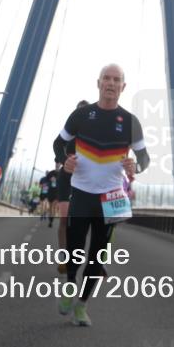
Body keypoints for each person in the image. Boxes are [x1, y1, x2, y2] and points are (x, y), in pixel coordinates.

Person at [54, 64, 149, 326]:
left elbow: (144, 158)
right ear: (98, 83)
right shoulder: (81, 115)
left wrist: (136, 166)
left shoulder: (131, 122)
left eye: (116, 79)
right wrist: (66, 161)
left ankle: (82, 306)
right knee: (75, 250)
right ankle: (70, 287)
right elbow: (59, 143)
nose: (111, 83)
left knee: (98, 256)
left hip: (113, 197)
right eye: (106, 78)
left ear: (123, 86)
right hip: (82, 193)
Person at [54, 99, 90, 273]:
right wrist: (64, 161)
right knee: (64, 219)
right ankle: (63, 258)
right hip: (66, 179)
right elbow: (57, 148)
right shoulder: (67, 133)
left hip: (85, 182)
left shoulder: (93, 136)